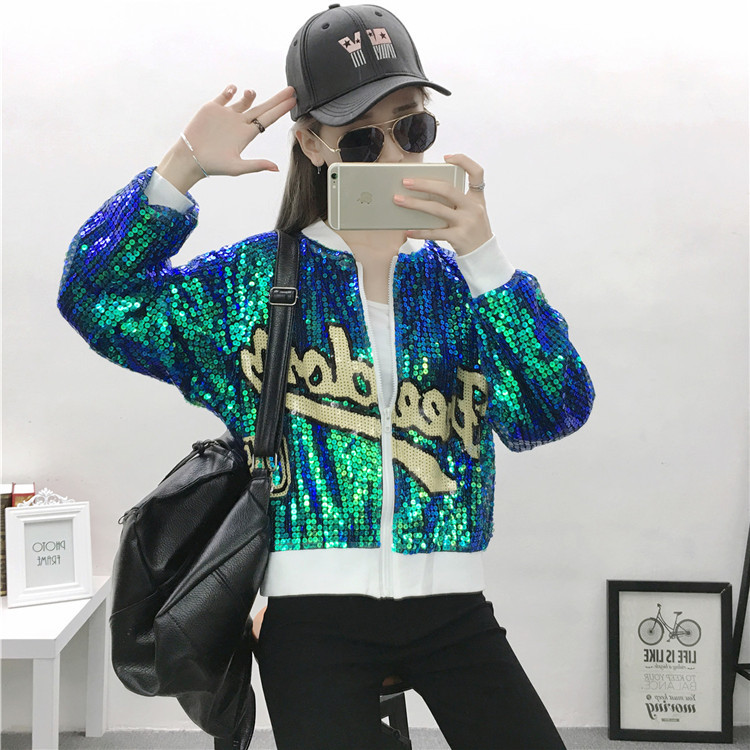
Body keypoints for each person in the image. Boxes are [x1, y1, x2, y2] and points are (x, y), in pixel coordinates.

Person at [59, 4, 594, 749]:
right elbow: (96, 297)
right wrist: (182, 168)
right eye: (362, 139)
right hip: (311, 618)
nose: (392, 156)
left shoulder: (462, 287)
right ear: (311, 143)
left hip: (453, 608)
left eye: (411, 128)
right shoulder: (254, 282)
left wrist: (487, 261)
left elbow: (554, 411)